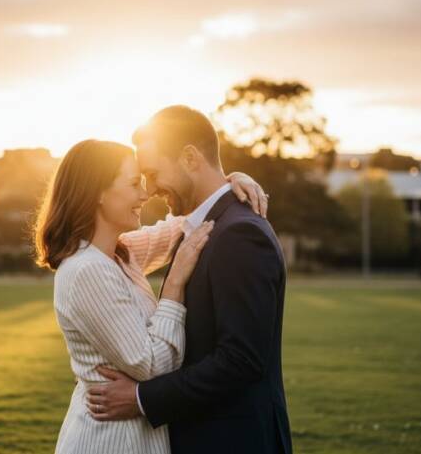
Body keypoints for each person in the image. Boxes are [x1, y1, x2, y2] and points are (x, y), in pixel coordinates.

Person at [34, 138, 268, 454]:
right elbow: (152, 367)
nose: (145, 194)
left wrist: (229, 181)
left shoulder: (120, 254)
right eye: (134, 184)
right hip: (109, 441)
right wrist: (173, 287)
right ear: (98, 193)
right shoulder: (86, 270)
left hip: (136, 436)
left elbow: (185, 223)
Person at [86, 106, 293, 454]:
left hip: (234, 442)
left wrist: (141, 398)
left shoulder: (240, 233)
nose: (149, 189)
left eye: (152, 173)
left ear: (190, 158)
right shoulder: (196, 226)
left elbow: (241, 360)